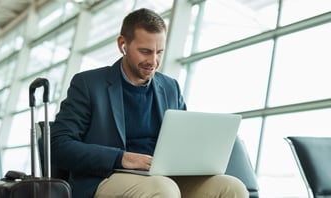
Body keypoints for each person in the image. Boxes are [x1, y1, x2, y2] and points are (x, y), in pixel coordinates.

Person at [51, 8, 249, 198]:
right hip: (107, 177)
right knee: (162, 189)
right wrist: (122, 158)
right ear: (123, 45)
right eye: (145, 51)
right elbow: (59, 146)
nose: (153, 61)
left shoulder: (171, 87)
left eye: (159, 52)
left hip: (162, 178)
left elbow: (183, 142)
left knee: (232, 188)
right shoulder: (88, 84)